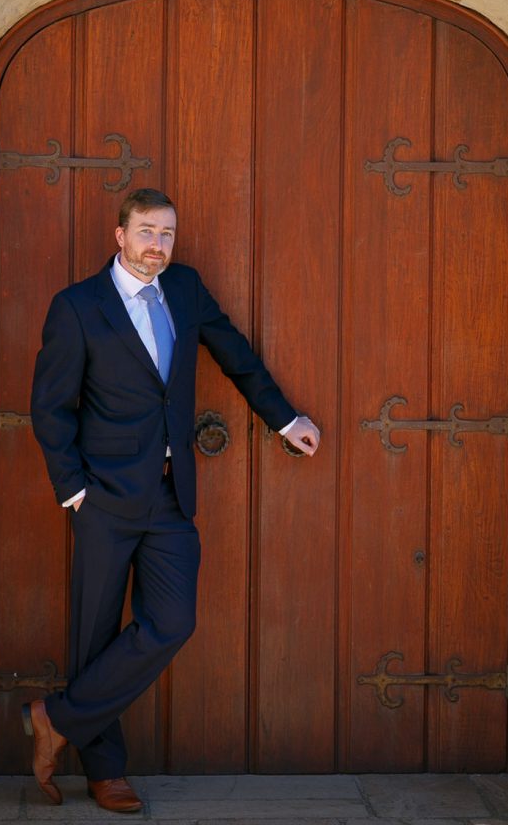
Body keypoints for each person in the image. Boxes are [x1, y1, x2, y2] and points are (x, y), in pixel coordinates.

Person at [25, 187, 320, 814]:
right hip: (102, 497)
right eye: (146, 232)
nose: (157, 245)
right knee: (95, 637)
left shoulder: (184, 289)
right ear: (119, 235)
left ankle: (55, 720)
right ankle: (104, 772)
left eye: (167, 234)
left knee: (173, 621)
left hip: (169, 496)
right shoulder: (78, 306)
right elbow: (50, 407)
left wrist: (283, 418)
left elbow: (234, 354)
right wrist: (74, 490)